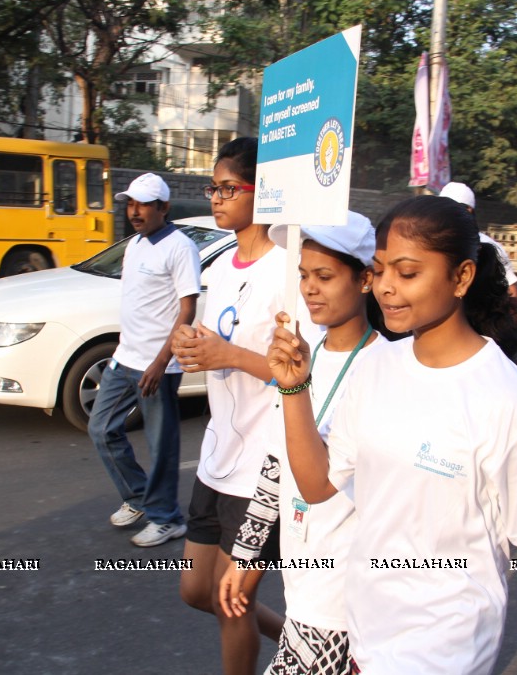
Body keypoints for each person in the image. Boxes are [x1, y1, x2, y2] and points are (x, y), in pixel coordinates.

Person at [269, 195, 517, 675]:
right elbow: (317, 486)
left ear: (461, 277)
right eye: (380, 271)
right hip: (365, 634)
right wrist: (294, 388)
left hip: (448, 647)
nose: (387, 289)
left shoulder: (513, 402)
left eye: (408, 273)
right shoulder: (374, 368)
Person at [171, 137, 317, 675]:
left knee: (231, 603)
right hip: (218, 453)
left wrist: (228, 353)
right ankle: (299, 640)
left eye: (229, 188)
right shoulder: (223, 265)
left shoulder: (291, 270)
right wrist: (196, 346)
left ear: (264, 193)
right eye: (214, 187)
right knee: (196, 590)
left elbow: (303, 373)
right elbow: (222, 341)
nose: (216, 197)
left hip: (264, 463)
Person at [218, 211, 386, 675]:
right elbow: (276, 467)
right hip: (302, 595)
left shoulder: (387, 368)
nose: (310, 288)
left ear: (366, 279)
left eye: (325, 276)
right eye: (304, 275)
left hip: (349, 604)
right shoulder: (300, 355)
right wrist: (244, 559)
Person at [87, 172, 200, 547]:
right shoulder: (135, 244)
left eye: (143, 205)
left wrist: (159, 362)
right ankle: (138, 498)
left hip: (159, 366)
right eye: (131, 204)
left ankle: (167, 518)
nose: (135, 212)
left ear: (163, 208)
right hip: (124, 358)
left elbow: (186, 310)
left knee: (161, 444)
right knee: (101, 429)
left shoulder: (179, 247)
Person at [440, 182, 517, 365]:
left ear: (468, 211)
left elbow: (513, 295)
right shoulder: (434, 247)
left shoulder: (489, 248)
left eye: (451, 209)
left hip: (486, 341)